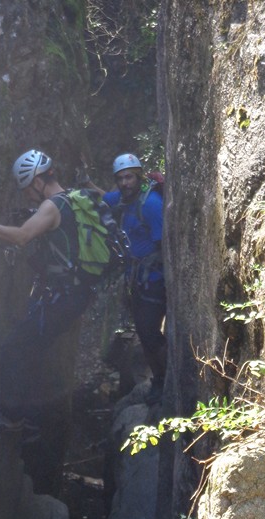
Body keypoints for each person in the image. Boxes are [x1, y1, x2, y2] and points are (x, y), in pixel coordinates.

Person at [0, 149, 95, 436]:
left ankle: (12, 417)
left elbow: (22, 236)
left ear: (38, 182)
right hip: (77, 294)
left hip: (63, 298)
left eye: (27, 188)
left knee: (14, 348)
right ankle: (37, 420)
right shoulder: (75, 198)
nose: (27, 195)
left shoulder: (51, 207)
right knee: (33, 350)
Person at [90, 153, 166, 401]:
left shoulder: (151, 205)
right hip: (137, 280)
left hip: (153, 281)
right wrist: (84, 185)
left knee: (149, 332)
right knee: (145, 334)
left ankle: (164, 380)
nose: (125, 183)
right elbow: (104, 198)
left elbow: (163, 244)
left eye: (129, 177)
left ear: (139, 176)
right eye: (120, 178)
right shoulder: (124, 200)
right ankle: (159, 380)